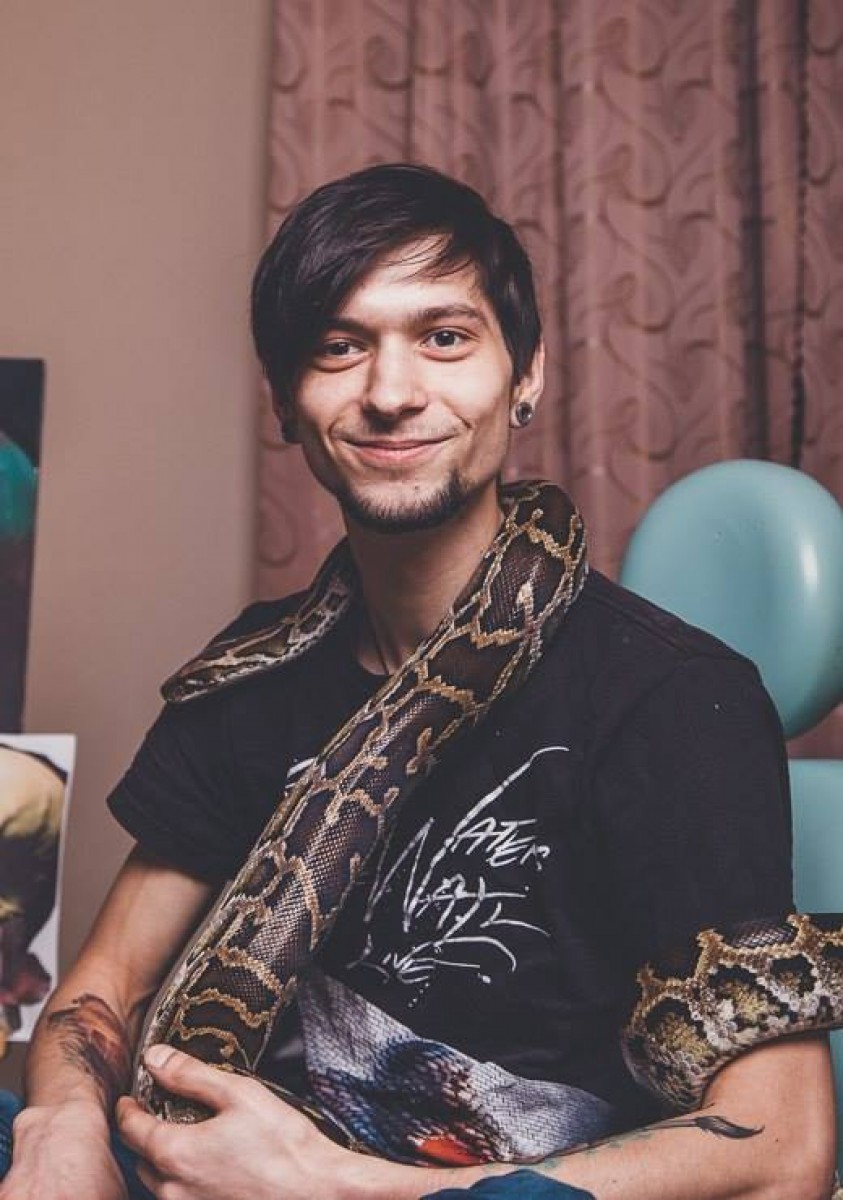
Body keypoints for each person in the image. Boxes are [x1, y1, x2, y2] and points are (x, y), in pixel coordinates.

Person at [0, 164, 837, 1200]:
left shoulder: (670, 699)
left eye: (444, 337)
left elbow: (782, 1153)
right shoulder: (252, 673)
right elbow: (104, 993)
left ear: (525, 375)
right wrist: (60, 1129)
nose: (391, 393)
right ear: (284, 401)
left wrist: (329, 1184)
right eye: (338, 346)